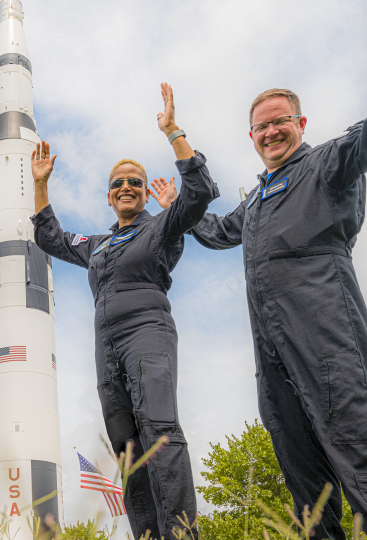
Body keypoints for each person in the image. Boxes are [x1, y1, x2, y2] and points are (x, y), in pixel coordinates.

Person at [151, 1, 367, 537]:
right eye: (260, 127)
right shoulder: (257, 199)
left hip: (325, 332)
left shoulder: (326, 163)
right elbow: (214, 231)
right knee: (306, 484)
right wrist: (176, 197)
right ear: (250, 137)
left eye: (279, 122)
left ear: (300, 123)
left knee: (360, 452)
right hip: (271, 354)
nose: (270, 132)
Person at [29, 83, 219, 539]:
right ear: (109, 197)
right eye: (119, 184)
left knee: (160, 432)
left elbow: (199, 194)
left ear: (145, 194)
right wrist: (40, 185)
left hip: (148, 334)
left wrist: (173, 132)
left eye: (136, 181)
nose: (128, 186)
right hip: (106, 351)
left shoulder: (162, 227)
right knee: (128, 448)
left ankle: (180, 535)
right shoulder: (97, 243)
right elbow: (51, 238)